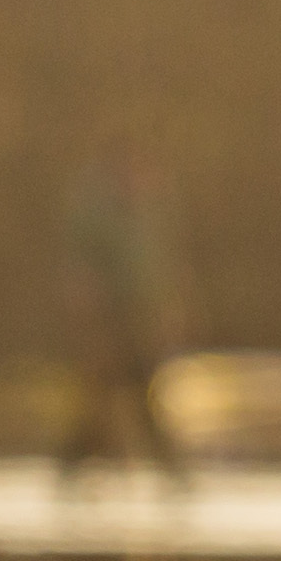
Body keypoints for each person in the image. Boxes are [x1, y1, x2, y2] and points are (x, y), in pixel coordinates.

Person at [61, 151, 184, 476]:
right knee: (116, 402)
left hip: (138, 324)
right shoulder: (98, 220)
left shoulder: (143, 220)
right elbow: (82, 280)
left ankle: (73, 468)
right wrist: (94, 331)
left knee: (124, 401)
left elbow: (157, 278)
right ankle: (172, 472)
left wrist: (167, 316)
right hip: (113, 326)